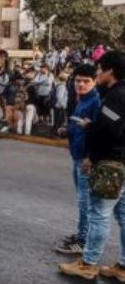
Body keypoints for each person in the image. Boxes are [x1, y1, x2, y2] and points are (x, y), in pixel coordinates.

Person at [60, 51, 125, 281]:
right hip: (120, 162)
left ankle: (88, 264)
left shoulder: (115, 96)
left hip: (110, 163)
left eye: (99, 70)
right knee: (122, 215)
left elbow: (111, 129)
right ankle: (122, 267)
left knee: (98, 214)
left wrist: (92, 152)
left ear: (109, 71)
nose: (97, 74)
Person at [55, 65, 99, 255]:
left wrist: (91, 157)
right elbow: (79, 125)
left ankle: (84, 240)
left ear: (94, 82)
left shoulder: (96, 101)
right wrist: (68, 130)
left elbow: (98, 131)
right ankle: (82, 234)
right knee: (83, 201)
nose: (81, 84)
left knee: (85, 202)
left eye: (86, 81)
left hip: (86, 160)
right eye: (78, 80)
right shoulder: (81, 100)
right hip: (77, 156)